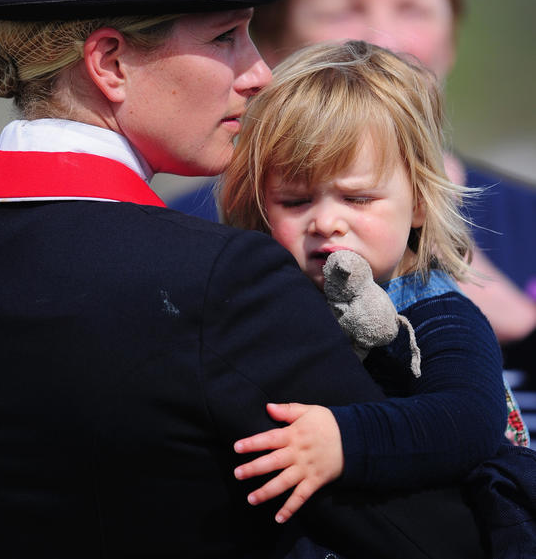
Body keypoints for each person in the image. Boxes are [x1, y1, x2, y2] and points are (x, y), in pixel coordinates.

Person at [0, 0, 494, 559]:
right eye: (226, 35)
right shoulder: (224, 282)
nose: (258, 71)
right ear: (110, 64)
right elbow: (441, 539)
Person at [219, 40, 536, 553]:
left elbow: (468, 419)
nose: (326, 221)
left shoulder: (437, 311)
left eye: (357, 197)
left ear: (416, 201)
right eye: (295, 201)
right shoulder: (271, 301)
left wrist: (343, 440)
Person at [248, 0, 536, 369]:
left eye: (413, 9)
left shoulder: (529, 219)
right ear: (270, 44)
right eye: (342, 11)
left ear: (453, 35)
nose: (382, 39)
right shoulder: (206, 230)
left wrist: (522, 327)